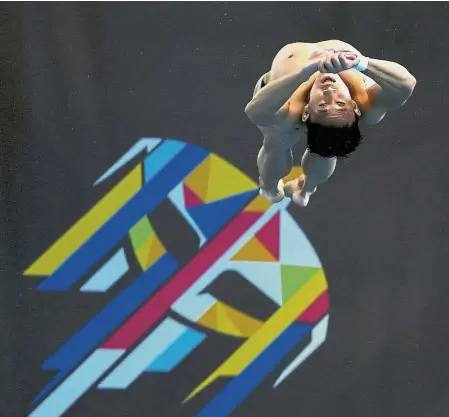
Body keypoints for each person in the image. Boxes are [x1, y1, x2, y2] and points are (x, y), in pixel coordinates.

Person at [245, 40, 416, 206]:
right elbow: (406, 83)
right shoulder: (368, 104)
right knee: (317, 144)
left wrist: (304, 73)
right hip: (340, 86)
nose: (330, 93)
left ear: (307, 111)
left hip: (279, 94)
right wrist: (361, 62)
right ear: (354, 107)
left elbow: (255, 111)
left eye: (322, 106)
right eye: (341, 104)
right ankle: (290, 189)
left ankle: (286, 187)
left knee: (279, 140)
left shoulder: (290, 111)